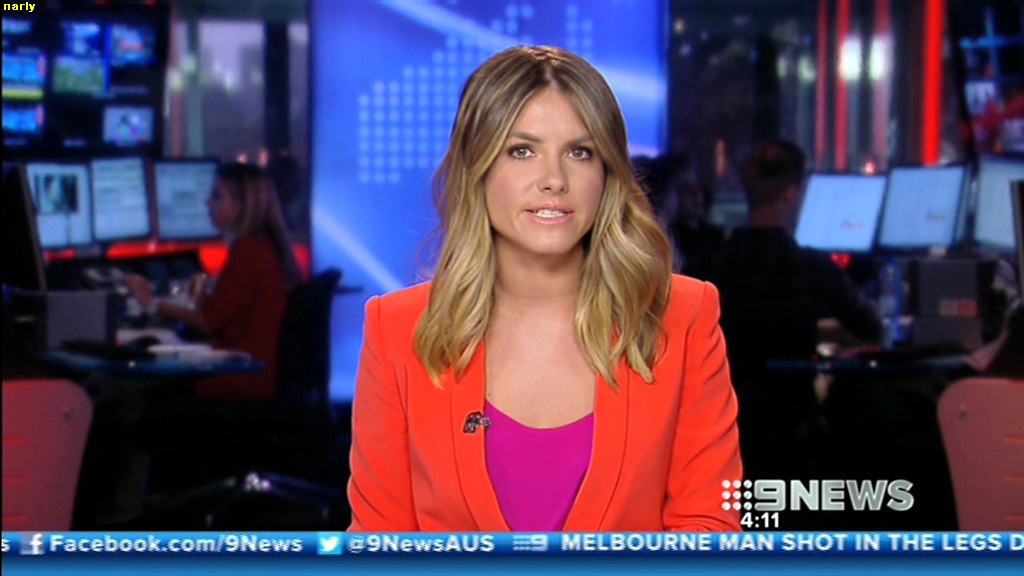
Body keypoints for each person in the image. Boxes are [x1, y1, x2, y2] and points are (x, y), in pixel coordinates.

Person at [347, 46, 741, 532]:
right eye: (522, 151)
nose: (554, 180)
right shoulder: (398, 330)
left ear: (607, 173)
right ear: (477, 168)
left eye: (580, 152)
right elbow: (381, 546)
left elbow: (706, 533)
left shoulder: (683, 316)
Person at [700, 140, 881, 489]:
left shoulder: (707, 267)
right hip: (792, 443)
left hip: (720, 442)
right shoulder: (812, 268)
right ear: (792, 193)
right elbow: (871, 328)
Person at [125, 162, 302, 398]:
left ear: (242, 204)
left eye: (217, 196)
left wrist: (151, 302)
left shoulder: (248, 251)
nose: (208, 204)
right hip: (251, 374)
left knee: (131, 392)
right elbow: (220, 318)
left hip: (239, 380)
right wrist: (201, 297)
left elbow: (209, 323)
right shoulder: (264, 247)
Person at [644, 153, 725, 277]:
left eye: (697, 184)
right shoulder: (660, 238)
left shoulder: (716, 239)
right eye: (684, 187)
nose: (697, 193)